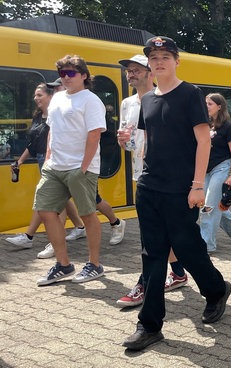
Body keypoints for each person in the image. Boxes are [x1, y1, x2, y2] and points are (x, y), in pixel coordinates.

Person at [122, 36, 231, 351]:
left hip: (181, 189)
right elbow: (149, 142)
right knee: (152, 255)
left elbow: (203, 142)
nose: (158, 62)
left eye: (164, 56)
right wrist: (126, 144)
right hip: (150, 186)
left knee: (187, 248)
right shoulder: (148, 99)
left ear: (176, 60)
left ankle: (215, 290)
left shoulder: (190, 94)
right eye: (153, 57)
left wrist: (198, 185)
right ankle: (150, 325)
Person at [116, 54, 189, 308]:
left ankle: (145, 284)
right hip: (142, 175)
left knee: (156, 238)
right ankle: (177, 273)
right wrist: (123, 142)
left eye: (136, 70)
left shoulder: (167, 98)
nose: (130, 74)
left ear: (150, 72)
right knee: (156, 236)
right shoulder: (127, 104)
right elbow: (132, 143)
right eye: (128, 71)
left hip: (168, 177)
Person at [34, 55, 107, 286]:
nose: (66, 78)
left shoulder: (90, 100)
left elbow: (94, 134)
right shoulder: (56, 99)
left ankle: (94, 264)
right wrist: (47, 158)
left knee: (87, 214)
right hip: (54, 166)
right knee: (45, 210)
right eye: (62, 74)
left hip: (79, 168)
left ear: (84, 76)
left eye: (71, 73)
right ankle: (63, 264)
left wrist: (83, 168)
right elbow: (52, 130)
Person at [4, 84, 83, 252]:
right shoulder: (38, 116)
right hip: (43, 159)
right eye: (35, 95)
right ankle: (80, 227)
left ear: (50, 96)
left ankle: (43, 239)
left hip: (55, 160)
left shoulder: (58, 114)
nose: (36, 98)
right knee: (59, 198)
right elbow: (33, 144)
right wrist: (19, 162)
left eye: (39, 95)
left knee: (50, 199)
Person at [198, 93, 231, 253]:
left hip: (222, 168)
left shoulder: (228, 127)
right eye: (205, 103)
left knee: (208, 206)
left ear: (219, 107)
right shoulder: (204, 125)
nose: (206, 106)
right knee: (208, 203)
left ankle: (206, 245)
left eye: (209, 104)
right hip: (206, 169)